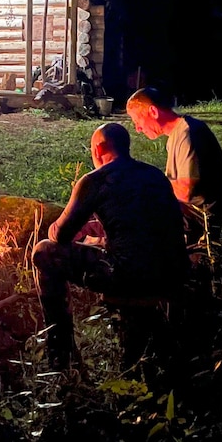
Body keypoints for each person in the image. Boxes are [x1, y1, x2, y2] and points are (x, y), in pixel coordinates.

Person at [32, 122, 187, 374]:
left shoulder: (96, 180)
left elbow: (60, 234)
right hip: (172, 272)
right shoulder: (153, 175)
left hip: (128, 275)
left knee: (44, 252)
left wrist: (57, 228)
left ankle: (61, 352)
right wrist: (102, 235)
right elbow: (140, 229)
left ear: (99, 147)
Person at [125, 86, 222, 266]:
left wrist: (149, 183)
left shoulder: (188, 134)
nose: (138, 129)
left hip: (198, 221)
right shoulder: (176, 135)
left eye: (137, 121)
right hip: (186, 214)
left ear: (153, 111)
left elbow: (185, 191)